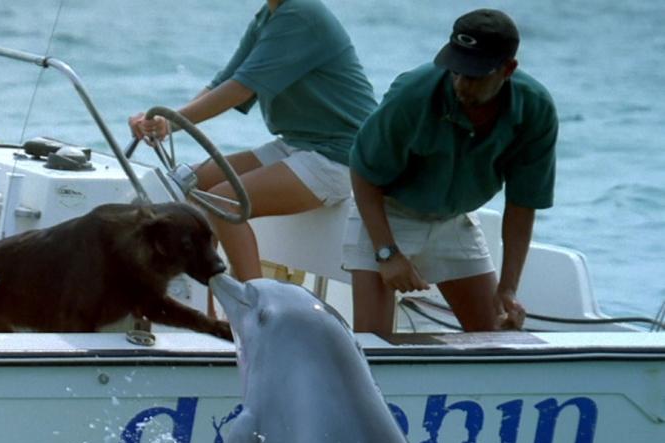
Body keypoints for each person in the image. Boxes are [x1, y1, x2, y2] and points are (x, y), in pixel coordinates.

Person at [343, 8, 558, 337]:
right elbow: (362, 172)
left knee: (495, 340)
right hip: (389, 211)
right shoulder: (412, 95)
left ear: (508, 69)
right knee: (373, 348)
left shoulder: (536, 109)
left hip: (453, 219)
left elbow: (522, 205)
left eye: (474, 75)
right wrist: (387, 253)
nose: (460, 83)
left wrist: (509, 288)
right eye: (456, 70)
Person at [129, 0, 377, 283]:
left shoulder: (300, 14)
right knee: (194, 184)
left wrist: (170, 123)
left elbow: (240, 89)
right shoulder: (268, 15)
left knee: (223, 202)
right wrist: (165, 123)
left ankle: (257, 313)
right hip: (297, 143)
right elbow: (225, 80)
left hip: (339, 156)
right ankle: (210, 312)